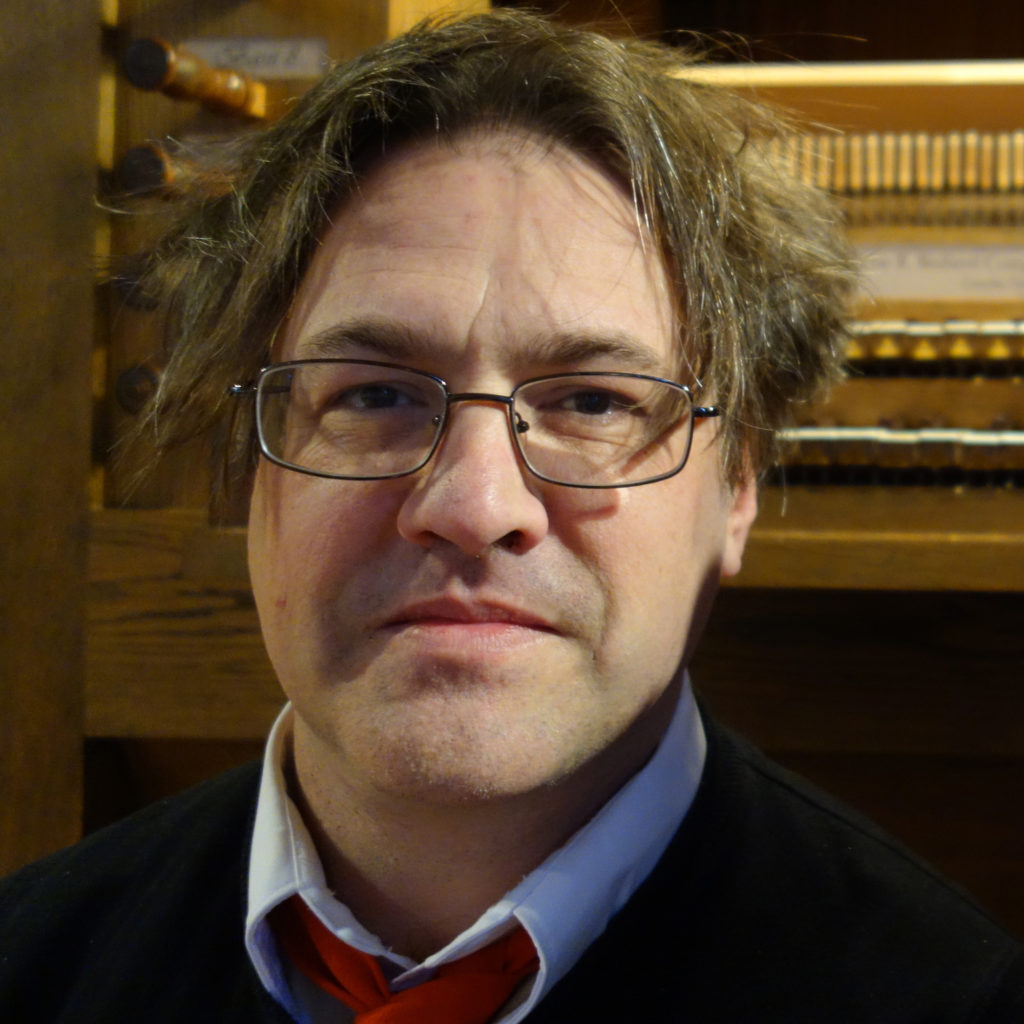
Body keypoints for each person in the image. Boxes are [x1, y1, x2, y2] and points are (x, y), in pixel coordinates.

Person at [1, 10, 1021, 1022]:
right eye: (373, 395)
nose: (473, 506)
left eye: (593, 402)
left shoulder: (951, 1003)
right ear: (250, 473)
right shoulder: (31, 961)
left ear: (738, 488)